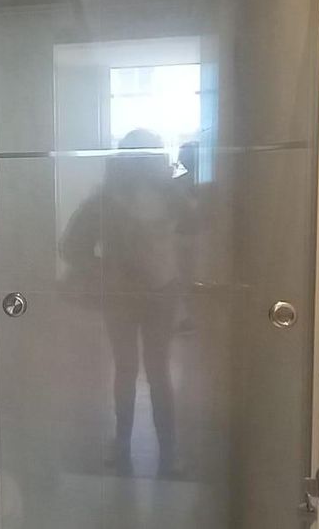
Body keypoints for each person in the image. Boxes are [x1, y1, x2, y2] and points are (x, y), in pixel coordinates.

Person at [60, 129, 195, 477]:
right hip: (126, 295)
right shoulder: (108, 200)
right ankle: (127, 443)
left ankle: (163, 448)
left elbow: (194, 231)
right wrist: (106, 269)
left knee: (151, 370)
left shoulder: (168, 195)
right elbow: (71, 246)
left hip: (158, 293)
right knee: (131, 368)